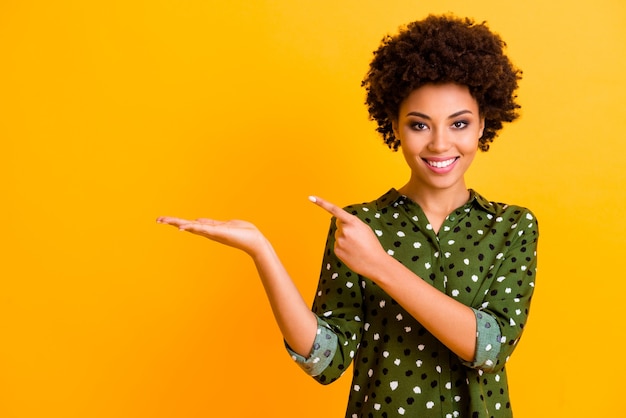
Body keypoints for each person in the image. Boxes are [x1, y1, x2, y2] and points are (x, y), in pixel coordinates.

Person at [157, 14, 538, 417]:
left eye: (459, 123)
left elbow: (490, 348)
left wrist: (380, 265)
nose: (440, 144)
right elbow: (324, 359)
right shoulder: (360, 227)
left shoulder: (512, 226)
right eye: (419, 125)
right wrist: (262, 251)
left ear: (483, 124)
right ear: (393, 125)